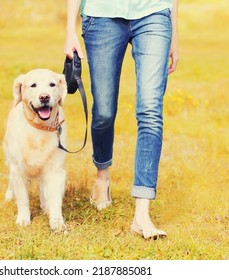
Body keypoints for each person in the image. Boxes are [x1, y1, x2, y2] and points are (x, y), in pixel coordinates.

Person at [64, 0, 179, 239]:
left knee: (150, 110)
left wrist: (174, 33)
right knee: (104, 112)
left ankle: (142, 214)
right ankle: (102, 177)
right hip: (101, 14)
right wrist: (69, 30)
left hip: (154, 12)